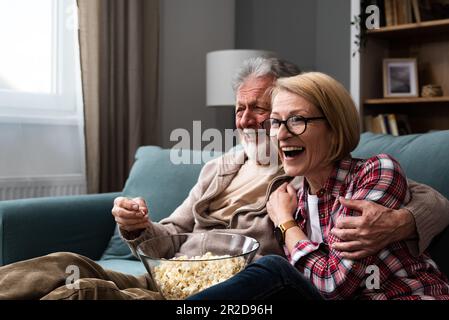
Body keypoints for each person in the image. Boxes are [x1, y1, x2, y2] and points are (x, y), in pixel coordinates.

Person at [0, 59, 448, 300]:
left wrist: (405, 220)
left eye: (267, 110)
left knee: (83, 294)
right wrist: (137, 227)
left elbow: (425, 196)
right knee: (61, 264)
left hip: (224, 286)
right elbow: (171, 235)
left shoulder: (302, 174)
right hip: (169, 274)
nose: (254, 122)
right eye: (243, 109)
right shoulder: (223, 167)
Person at [189, 72, 449, 300]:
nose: (281, 134)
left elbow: (333, 284)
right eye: (276, 122)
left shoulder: (375, 171)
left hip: (404, 296)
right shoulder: (291, 195)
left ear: (334, 128)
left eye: (297, 120)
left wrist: (285, 223)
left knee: (275, 270)